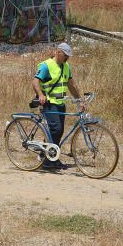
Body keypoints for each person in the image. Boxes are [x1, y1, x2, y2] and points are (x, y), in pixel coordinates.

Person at [32, 42, 82, 171]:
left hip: (60, 104)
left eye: (68, 56)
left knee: (58, 132)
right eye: (65, 55)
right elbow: (36, 81)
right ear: (58, 52)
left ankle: (49, 156)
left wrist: (79, 100)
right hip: (49, 103)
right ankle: (48, 161)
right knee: (56, 129)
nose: (67, 58)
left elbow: (71, 85)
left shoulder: (66, 67)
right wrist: (40, 95)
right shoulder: (46, 66)